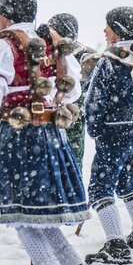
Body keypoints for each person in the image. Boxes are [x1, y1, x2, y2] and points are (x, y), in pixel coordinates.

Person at [0, 0, 95, 265]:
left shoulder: (3, 44)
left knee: (24, 216)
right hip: (50, 132)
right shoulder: (49, 43)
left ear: (8, 13)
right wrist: (48, 105)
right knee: (39, 215)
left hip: (20, 135)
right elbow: (73, 89)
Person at [84, 7, 133, 265]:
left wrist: (94, 129)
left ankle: (116, 245)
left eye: (107, 26)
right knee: (127, 181)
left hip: (115, 132)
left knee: (100, 187)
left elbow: (94, 102)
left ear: (118, 30)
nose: (104, 31)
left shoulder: (109, 62)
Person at [36, 13, 95, 169]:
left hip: (73, 118)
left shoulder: (84, 56)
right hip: (54, 117)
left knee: (72, 164)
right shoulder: (43, 53)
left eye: (53, 30)